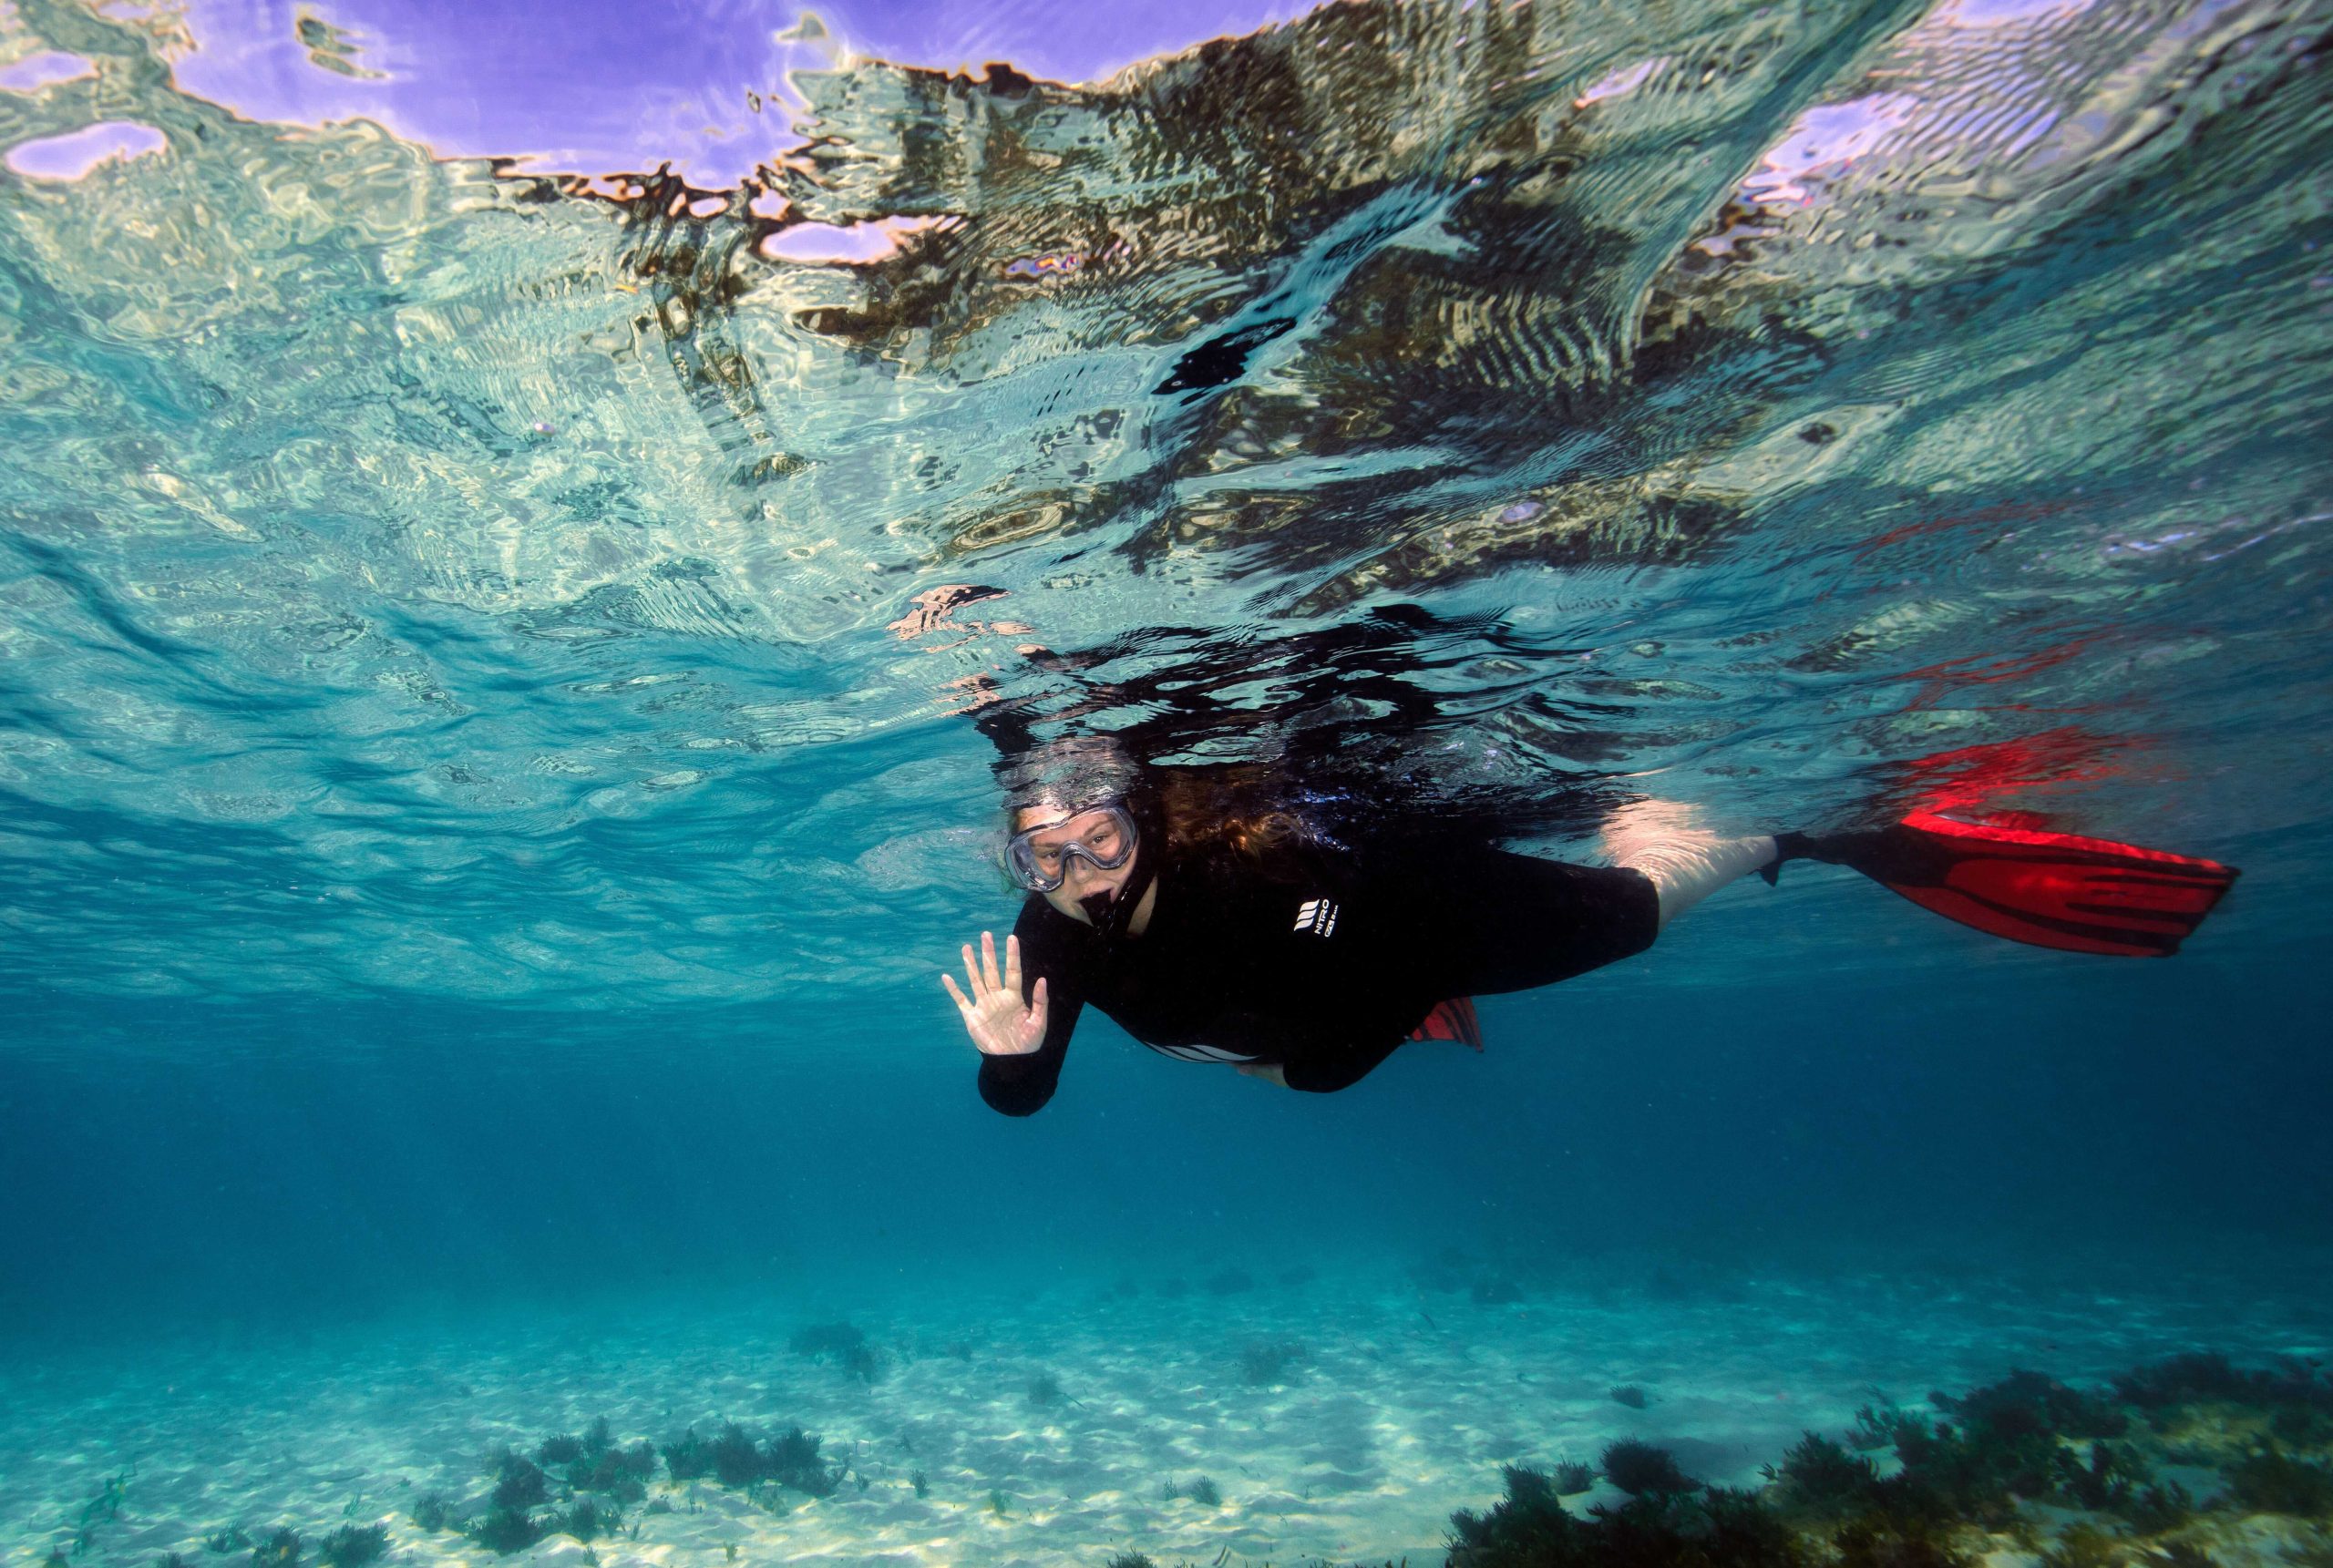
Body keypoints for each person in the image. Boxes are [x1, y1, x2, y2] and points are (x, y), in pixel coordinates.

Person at [940, 739, 2238, 1116]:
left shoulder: (1262, 873)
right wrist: (1006, 1053)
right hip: (1285, 1017)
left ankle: (1811, 837)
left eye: (1098, 837)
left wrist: (1326, 1045)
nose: (1076, 870)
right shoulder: (1047, 937)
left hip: (1421, 926)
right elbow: (1024, 1099)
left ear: (1144, 820)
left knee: (1634, 913)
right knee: (1329, 1009)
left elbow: (1359, 955)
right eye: (1041, 852)